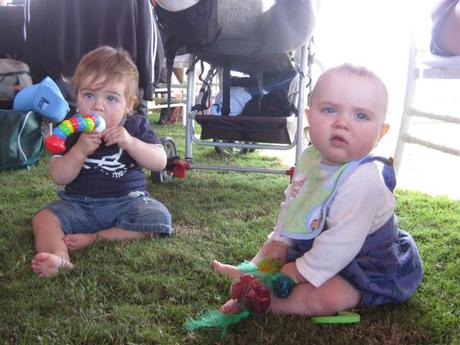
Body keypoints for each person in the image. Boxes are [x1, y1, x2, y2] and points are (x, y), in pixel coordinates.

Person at [213, 64, 423, 316]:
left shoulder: (364, 181)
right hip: (318, 245)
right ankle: (250, 278)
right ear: (310, 117)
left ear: (380, 133)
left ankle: (266, 303)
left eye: (361, 116)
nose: (342, 123)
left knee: (326, 297)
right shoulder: (310, 158)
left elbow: (341, 245)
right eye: (330, 109)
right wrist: (279, 243)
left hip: (366, 263)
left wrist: (294, 272)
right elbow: (295, 204)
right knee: (275, 247)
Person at [31, 46, 172, 278]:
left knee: (159, 216)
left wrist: (131, 143)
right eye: (89, 95)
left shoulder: (135, 126)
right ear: (76, 97)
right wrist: (79, 150)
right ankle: (59, 256)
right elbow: (59, 176)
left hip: (127, 203)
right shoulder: (73, 130)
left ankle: (100, 236)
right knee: (43, 219)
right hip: (79, 205)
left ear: (129, 104)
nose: (98, 106)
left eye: (111, 98)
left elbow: (160, 161)